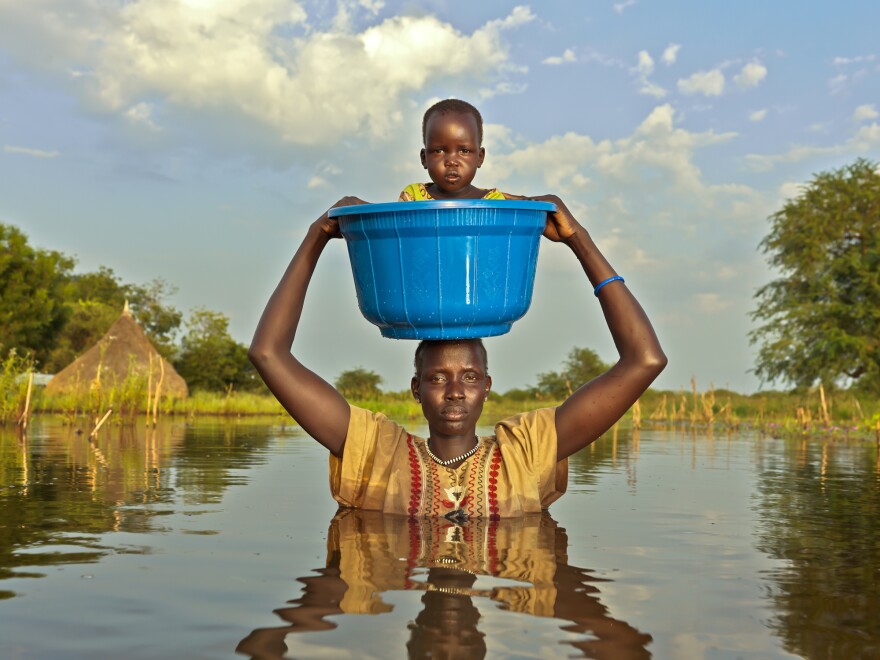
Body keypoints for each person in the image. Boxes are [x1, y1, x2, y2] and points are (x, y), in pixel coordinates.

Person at [248, 100, 666, 520]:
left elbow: (645, 360)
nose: (454, 391)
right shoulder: (375, 451)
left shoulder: (528, 453)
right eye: (436, 378)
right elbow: (267, 354)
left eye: (468, 377)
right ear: (415, 389)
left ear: (487, 385)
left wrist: (580, 240)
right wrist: (315, 237)